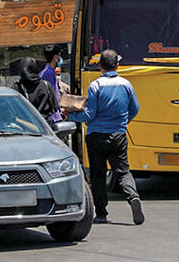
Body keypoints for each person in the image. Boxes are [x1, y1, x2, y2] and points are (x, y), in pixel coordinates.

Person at [67, 49, 144, 225]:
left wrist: (70, 116)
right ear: (117, 65)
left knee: (98, 175)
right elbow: (135, 109)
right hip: (118, 135)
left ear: (100, 66)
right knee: (123, 171)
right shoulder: (126, 84)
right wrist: (124, 122)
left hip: (97, 137)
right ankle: (133, 197)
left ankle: (101, 214)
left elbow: (89, 115)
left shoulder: (95, 86)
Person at [13, 57, 59, 124]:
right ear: (34, 68)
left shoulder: (16, 88)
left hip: (24, 127)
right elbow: (55, 107)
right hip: (45, 127)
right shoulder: (45, 85)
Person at [39, 45, 63, 125]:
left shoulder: (46, 72)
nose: (60, 59)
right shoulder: (49, 73)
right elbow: (52, 95)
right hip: (53, 117)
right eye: (59, 56)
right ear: (55, 58)